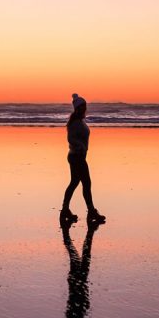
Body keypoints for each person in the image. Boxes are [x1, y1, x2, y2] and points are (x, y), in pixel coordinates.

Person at [60, 93, 106, 225]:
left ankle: (65, 210)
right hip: (76, 157)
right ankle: (91, 211)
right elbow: (70, 139)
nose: (85, 108)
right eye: (83, 106)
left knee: (75, 182)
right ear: (78, 108)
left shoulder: (80, 120)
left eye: (85, 106)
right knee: (86, 183)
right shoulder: (74, 122)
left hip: (77, 156)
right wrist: (80, 146)